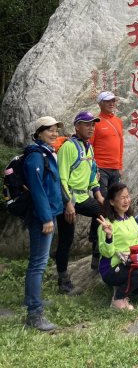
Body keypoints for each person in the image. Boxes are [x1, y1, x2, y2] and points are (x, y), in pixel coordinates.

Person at [22, 116, 64, 331]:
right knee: (38, 263)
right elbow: (37, 189)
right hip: (42, 217)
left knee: (39, 260)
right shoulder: (35, 157)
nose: (54, 133)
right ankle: (34, 313)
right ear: (39, 132)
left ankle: (32, 299)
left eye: (56, 130)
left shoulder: (47, 153)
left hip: (48, 214)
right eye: (50, 130)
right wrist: (47, 217)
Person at [55, 111, 104, 292]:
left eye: (93, 124)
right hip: (67, 199)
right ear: (77, 126)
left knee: (103, 211)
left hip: (83, 197)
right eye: (87, 124)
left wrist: (98, 194)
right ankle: (63, 281)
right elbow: (61, 179)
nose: (91, 127)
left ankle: (97, 254)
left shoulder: (88, 147)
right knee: (66, 240)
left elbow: (92, 175)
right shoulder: (68, 147)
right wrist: (68, 204)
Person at [97, 183, 138, 310]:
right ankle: (118, 298)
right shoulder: (107, 224)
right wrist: (109, 236)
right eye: (122, 198)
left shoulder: (131, 220)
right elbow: (106, 253)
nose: (126, 201)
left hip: (131, 263)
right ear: (112, 202)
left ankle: (123, 285)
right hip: (112, 267)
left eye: (127, 196)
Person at [90, 91, 124, 197]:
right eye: (108, 101)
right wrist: (93, 168)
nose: (111, 103)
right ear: (100, 104)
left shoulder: (118, 121)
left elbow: (120, 144)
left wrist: (120, 166)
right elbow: (90, 146)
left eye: (113, 101)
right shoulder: (95, 122)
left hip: (115, 168)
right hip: (101, 168)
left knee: (116, 199)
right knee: (103, 200)